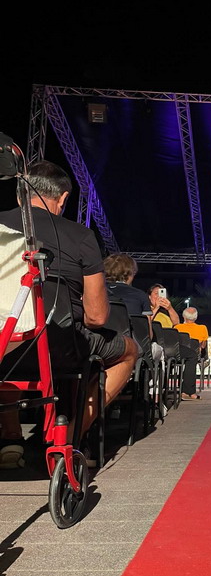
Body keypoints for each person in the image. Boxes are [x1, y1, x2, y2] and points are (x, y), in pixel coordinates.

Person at [0, 161, 138, 467]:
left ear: (20, 196)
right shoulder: (80, 235)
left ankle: (11, 439)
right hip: (57, 348)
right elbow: (97, 317)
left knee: (9, 335)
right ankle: (72, 437)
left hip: (3, 348)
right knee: (129, 351)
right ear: (62, 198)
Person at [175, 307, 208, 400]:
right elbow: (203, 346)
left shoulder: (177, 327)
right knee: (192, 359)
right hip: (194, 354)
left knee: (191, 359)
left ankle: (186, 392)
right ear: (196, 317)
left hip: (178, 354)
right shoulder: (202, 328)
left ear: (184, 316)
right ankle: (189, 392)